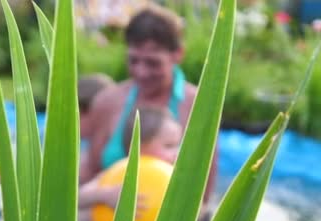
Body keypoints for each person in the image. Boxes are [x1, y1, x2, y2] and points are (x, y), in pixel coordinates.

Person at [79, 4, 217, 202]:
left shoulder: (200, 106)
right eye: (133, 61)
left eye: (153, 63)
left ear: (178, 54)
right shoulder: (107, 102)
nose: (141, 72)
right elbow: (87, 177)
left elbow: (204, 196)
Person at [78, 106, 182, 210]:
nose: (177, 152)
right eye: (169, 145)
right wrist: (106, 195)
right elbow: (78, 198)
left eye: (178, 145)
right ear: (140, 146)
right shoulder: (121, 172)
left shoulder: (173, 176)